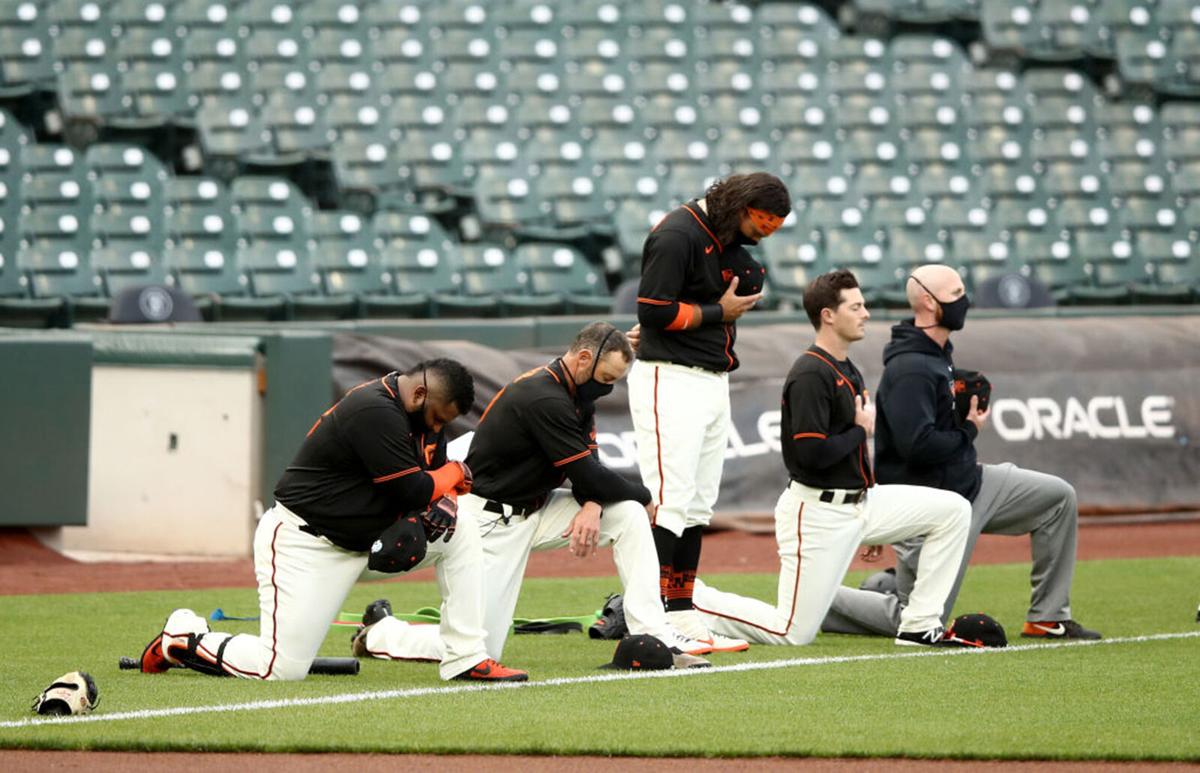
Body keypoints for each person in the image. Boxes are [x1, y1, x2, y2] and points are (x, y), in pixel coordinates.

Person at [139, 360, 527, 682]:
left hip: (366, 540)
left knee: (462, 532)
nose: (439, 429)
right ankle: (185, 636)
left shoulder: (422, 420)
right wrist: (455, 476)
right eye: (438, 419)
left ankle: (465, 656)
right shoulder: (373, 408)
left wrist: (447, 498)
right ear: (421, 394)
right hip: (306, 544)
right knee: (279, 670)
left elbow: (432, 479)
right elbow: (412, 490)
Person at [357, 323, 710, 668]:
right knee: (479, 647)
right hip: (491, 520)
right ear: (584, 357)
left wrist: (592, 504)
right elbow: (587, 473)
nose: (607, 389)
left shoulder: (575, 393)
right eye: (605, 379)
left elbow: (591, 467)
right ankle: (381, 633)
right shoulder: (543, 396)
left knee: (627, 514)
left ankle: (655, 635)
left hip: (538, 510)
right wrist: (644, 494)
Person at [690, 270, 973, 646]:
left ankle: (919, 624)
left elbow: (853, 448)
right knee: (791, 633)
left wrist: (869, 502)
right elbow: (811, 454)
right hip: (818, 512)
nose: (866, 313)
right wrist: (859, 431)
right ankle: (689, 601)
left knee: (953, 511)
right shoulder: (810, 372)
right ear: (828, 315)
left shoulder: (845, 365)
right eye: (855, 306)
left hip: (860, 503)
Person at [822, 264, 1101, 641]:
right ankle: (819, 598)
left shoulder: (936, 352)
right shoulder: (910, 367)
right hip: (931, 505)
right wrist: (969, 429)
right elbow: (916, 448)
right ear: (927, 301)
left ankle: (1047, 617)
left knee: (1057, 499)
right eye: (955, 294)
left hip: (971, 482)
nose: (964, 301)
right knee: (912, 619)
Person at [627, 171, 791, 652]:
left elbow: (749, 279)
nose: (767, 232)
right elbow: (653, 311)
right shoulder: (679, 233)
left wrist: (721, 304)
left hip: (713, 378)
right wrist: (717, 312)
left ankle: (682, 608)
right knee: (670, 499)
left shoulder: (725, 240)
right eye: (763, 221)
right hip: (668, 375)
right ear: (741, 206)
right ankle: (652, 615)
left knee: (698, 504)